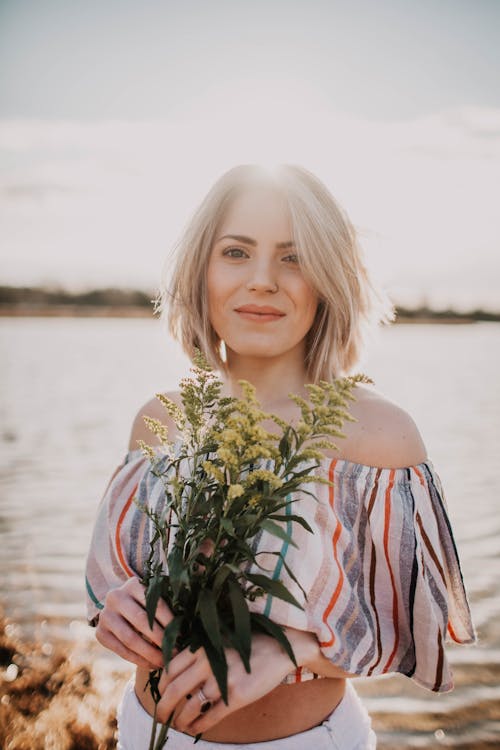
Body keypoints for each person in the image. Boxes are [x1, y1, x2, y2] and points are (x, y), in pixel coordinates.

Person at [85, 164, 476, 749]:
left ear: (328, 279)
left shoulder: (380, 436)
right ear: (203, 271)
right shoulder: (161, 419)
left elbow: (413, 633)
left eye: (293, 257)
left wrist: (294, 647)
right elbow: (118, 583)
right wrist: (116, 610)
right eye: (236, 252)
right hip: (142, 731)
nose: (263, 280)